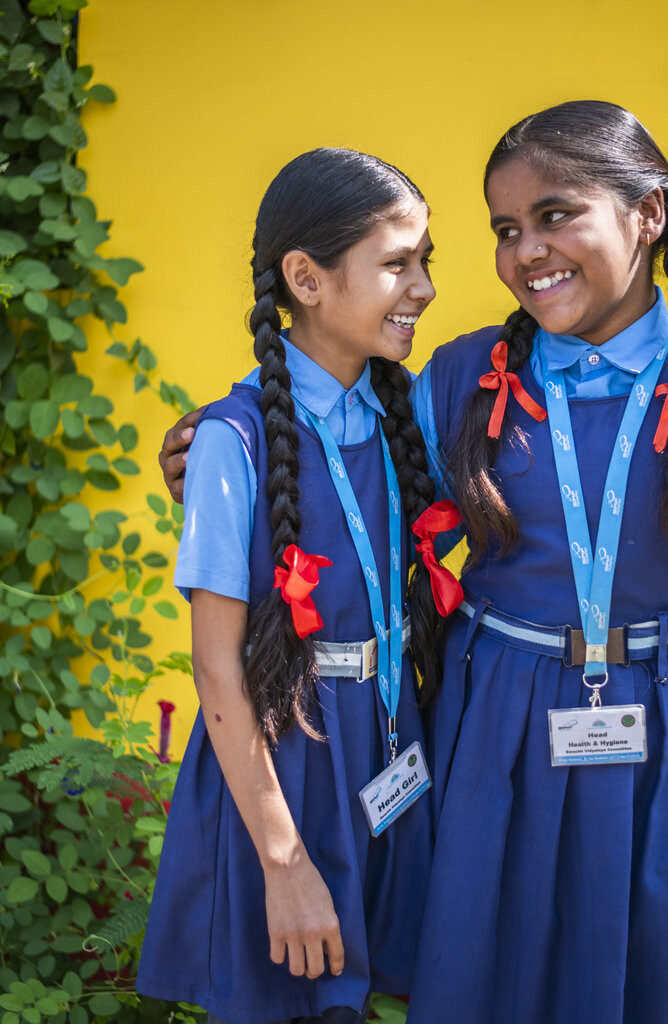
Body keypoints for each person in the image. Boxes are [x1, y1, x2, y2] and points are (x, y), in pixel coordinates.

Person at [403, 101, 668, 1024]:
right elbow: (336, 482)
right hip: (495, 735)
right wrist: (225, 446)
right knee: (489, 984)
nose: (528, 252)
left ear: (647, 214)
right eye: (507, 230)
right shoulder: (453, 381)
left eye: (557, 215)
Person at [138, 148, 448, 1024]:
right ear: (305, 279)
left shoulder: (406, 415)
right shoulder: (231, 444)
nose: (423, 288)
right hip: (287, 760)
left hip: (389, 748)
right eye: (397, 264)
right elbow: (215, 670)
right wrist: (284, 860)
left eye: (428, 262)